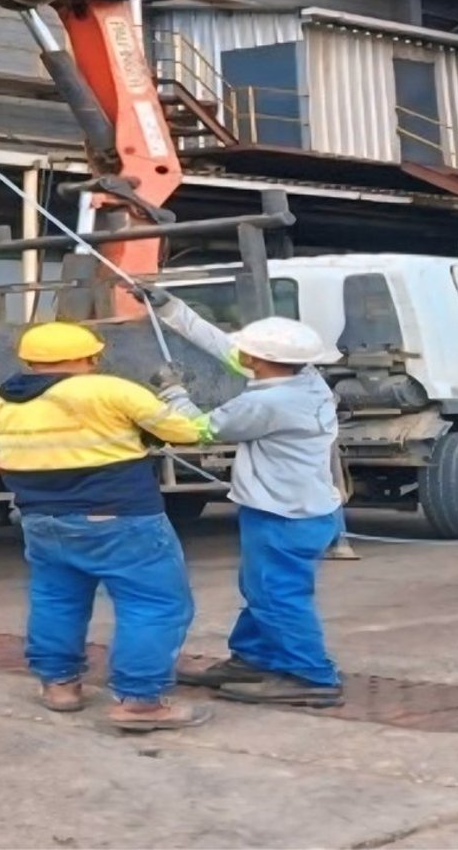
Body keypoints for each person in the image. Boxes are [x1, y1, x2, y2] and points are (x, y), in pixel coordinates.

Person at [0, 318, 215, 733]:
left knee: (57, 600)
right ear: (90, 356)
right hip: (120, 517)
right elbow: (186, 432)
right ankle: (140, 702)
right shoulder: (110, 389)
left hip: (42, 519)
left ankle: (60, 685)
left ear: (29, 360)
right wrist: (174, 395)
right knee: (153, 604)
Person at [148, 295, 347, 710]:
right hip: (302, 509)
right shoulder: (306, 378)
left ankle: (312, 676)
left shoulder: (266, 403)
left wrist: (171, 392)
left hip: (283, 514)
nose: (239, 353)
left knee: (278, 596)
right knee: (263, 590)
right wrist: (170, 309)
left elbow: (197, 429)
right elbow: (224, 347)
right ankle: (254, 659)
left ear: (258, 360)